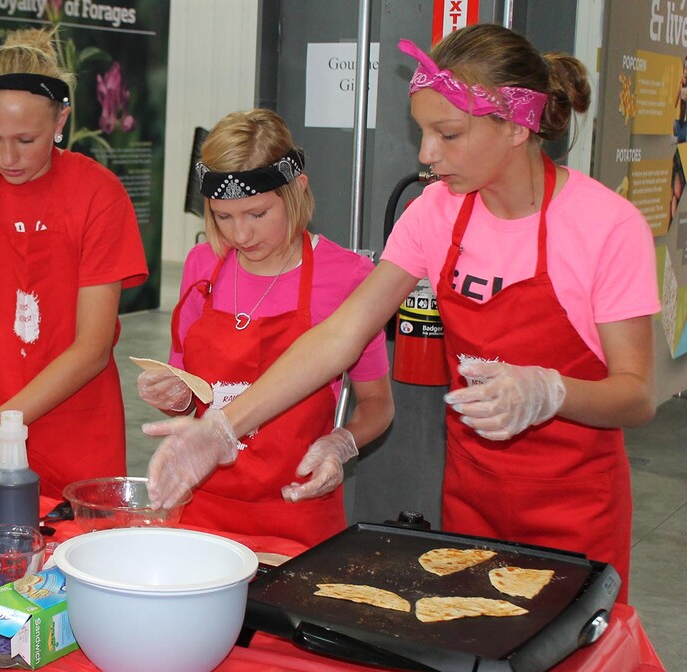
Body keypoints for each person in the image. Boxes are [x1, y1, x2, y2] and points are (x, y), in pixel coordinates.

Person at [143, 24, 658, 602]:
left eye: (449, 133)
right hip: (472, 495)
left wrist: (552, 392)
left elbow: (637, 394)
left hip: (577, 504)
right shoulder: (434, 215)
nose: (425, 154)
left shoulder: (605, 226)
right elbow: (339, 336)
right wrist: (220, 429)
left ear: (517, 125)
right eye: (422, 131)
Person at [139, 109, 393, 545]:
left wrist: (340, 444)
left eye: (257, 214)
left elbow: (377, 404)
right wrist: (175, 397)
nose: (240, 234)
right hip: (203, 508)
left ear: (297, 190)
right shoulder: (202, 268)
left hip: (297, 510)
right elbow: (191, 395)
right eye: (223, 217)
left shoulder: (348, 277)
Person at [0, 27, 148, 499]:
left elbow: (92, 345)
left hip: (76, 435)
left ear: (61, 117)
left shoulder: (98, 195)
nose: (8, 157)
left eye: (26, 139)